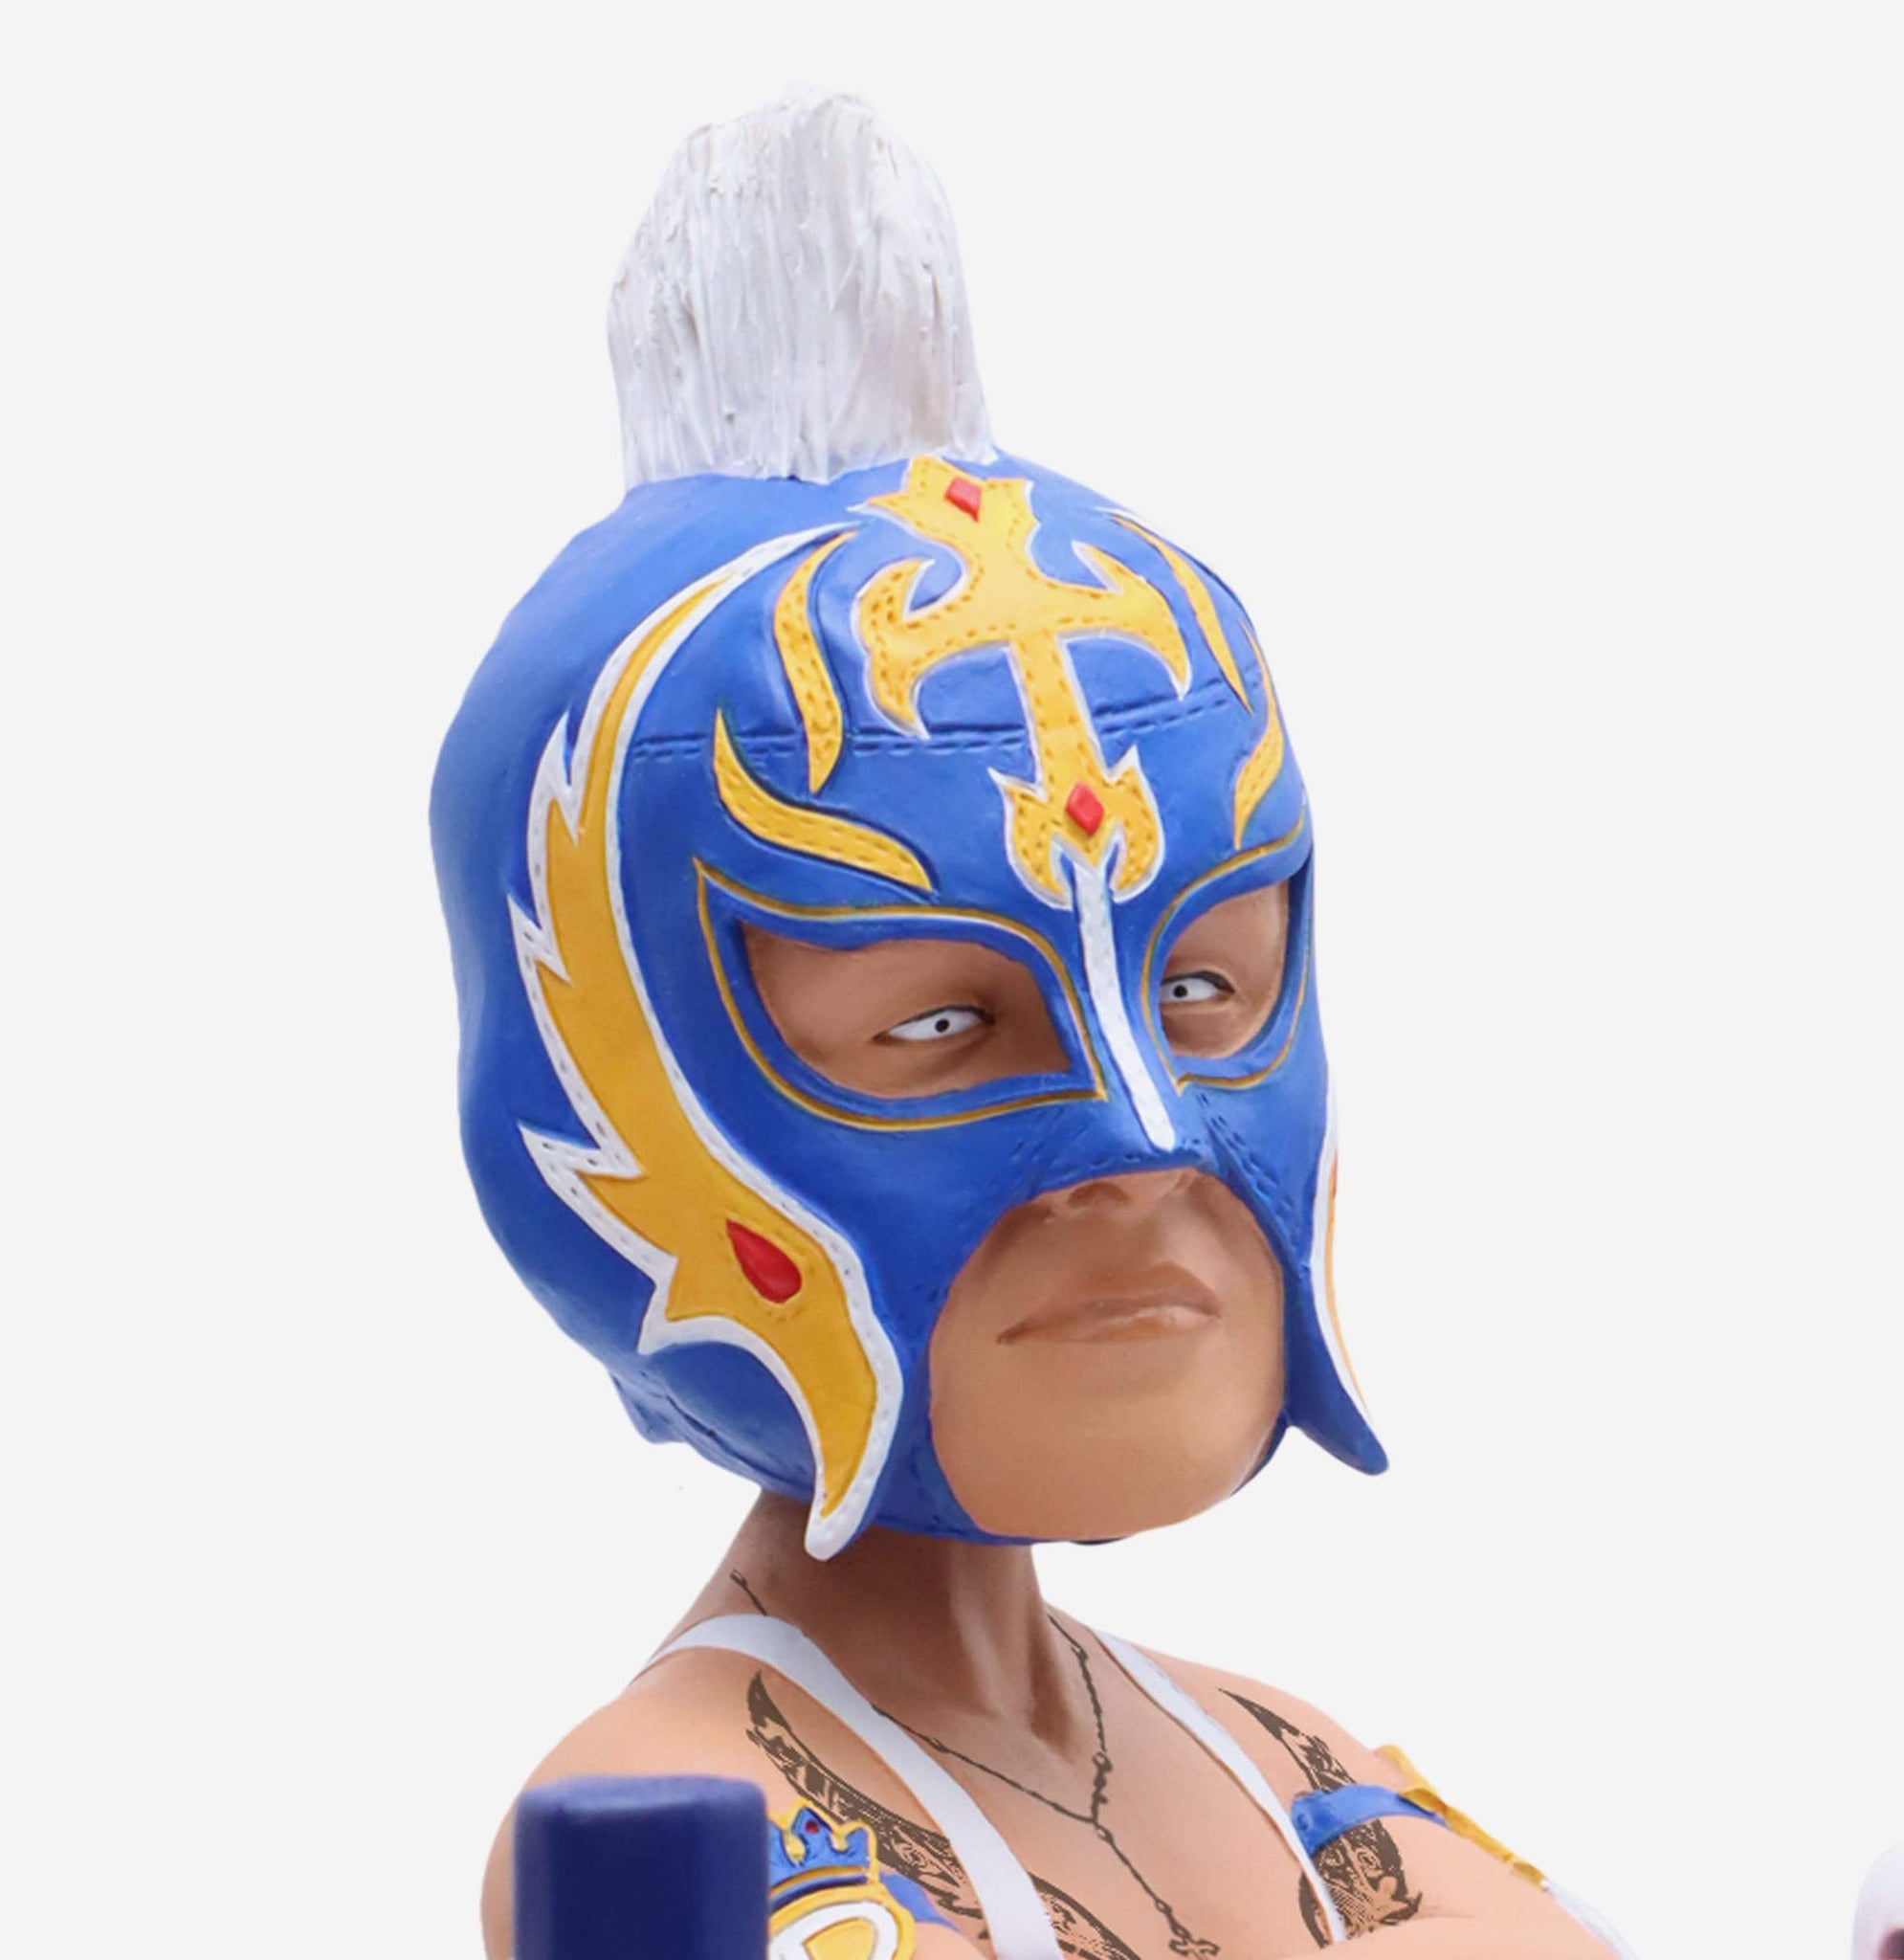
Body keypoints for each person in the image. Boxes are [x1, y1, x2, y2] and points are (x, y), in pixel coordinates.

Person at [432, 89, 1631, 1960]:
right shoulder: (688, 1845)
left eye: (1200, 986)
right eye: (939, 1022)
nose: (1144, 1132)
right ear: (601, 1084)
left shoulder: (1303, 1766)